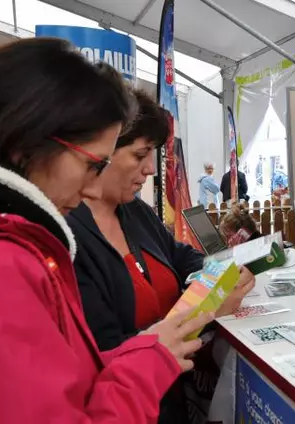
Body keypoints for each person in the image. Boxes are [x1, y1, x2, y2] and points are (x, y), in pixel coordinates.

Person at [0, 38, 210, 423]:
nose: (93, 187)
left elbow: (65, 381)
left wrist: (147, 351)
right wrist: (149, 361)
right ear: (24, 141)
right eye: (93, 164)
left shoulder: (17, 247)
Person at [67, 89, 256, 423]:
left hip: (174, 399)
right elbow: (104, 352)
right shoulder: (68, 239)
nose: (150, 169)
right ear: (101, 152)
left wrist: (223, 273)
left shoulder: (135, 212)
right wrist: (208, 308)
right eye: (140, 155)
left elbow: (181, 257)